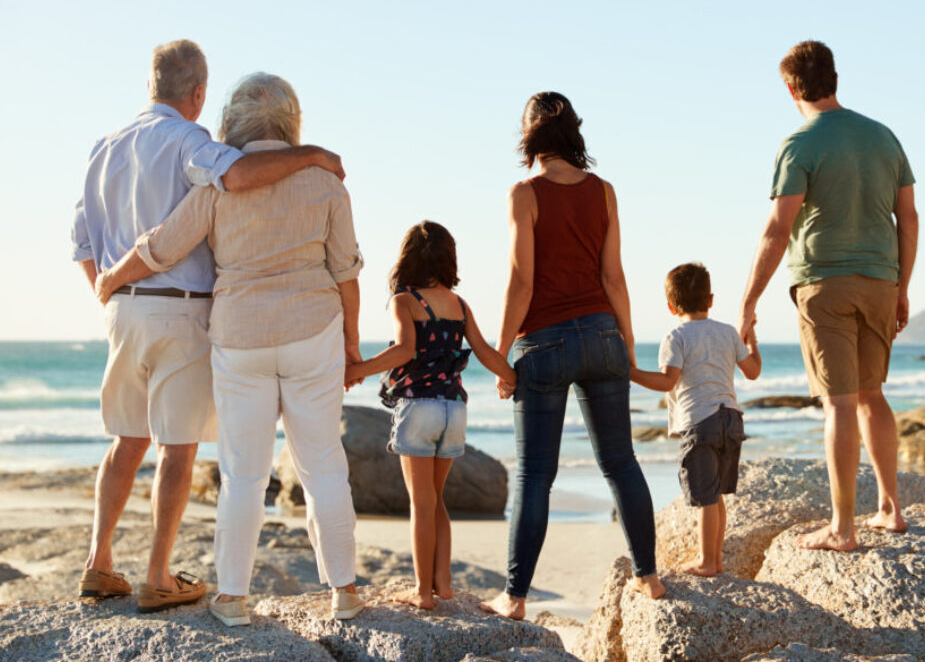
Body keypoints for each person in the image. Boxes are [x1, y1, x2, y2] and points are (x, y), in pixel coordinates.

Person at [70, 40, 346, 614]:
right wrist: (312, 153)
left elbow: (82, 241)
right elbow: (239, 175)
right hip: (183, 304)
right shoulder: (193, 144)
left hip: (123, 307)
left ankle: (99, 563)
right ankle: (157, 575)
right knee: (179, 447)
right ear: (197, 93)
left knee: (127, 439)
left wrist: (109, 285)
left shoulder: (104, 147)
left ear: (152, 85)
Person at [482, 92, 665, 621]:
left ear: (529, 136)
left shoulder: (525, 193)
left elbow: (521, 280)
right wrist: (626, 345)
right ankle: (649, 579)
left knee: (535, 476)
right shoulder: (604, 192)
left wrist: (500, 354)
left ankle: (515, 598)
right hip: (603, 334)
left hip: (544, 342)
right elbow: (614, 277)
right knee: (620, 462)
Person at [737, 40, 920, 551]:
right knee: (872, 394)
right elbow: (908, 218)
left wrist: (748, 302)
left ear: (791, 88)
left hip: (824, 283)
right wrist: (902, 286)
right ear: (834, 78)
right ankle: (890, 508)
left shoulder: (799, 142)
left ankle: (843, 529)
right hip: (882, 278)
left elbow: (778, 228)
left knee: (839, 403)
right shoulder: (884, 137)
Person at [345, 221, 516, 610]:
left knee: (420, 502)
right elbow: (486, 353)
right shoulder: (458, 303)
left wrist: (355, 370)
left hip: (419, 407)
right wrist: (510, 377)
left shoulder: (403, 300)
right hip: (454, 409)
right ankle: (444, 584)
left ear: (407, 257)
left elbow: (405, 351)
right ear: (448, 257)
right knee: (437, 501)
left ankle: (423, 592)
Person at [630, 263, 761, 576]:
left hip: (700, 422)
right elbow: (753, 371)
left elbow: (667, 382)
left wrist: (631, 372)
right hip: (731, 419)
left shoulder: (675, 337)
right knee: (715, 496)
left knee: (704, 497)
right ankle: (715, 559)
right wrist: (751, 334)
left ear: (670, 306)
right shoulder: (729, 332)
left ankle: (706, 561)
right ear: (711, 299)